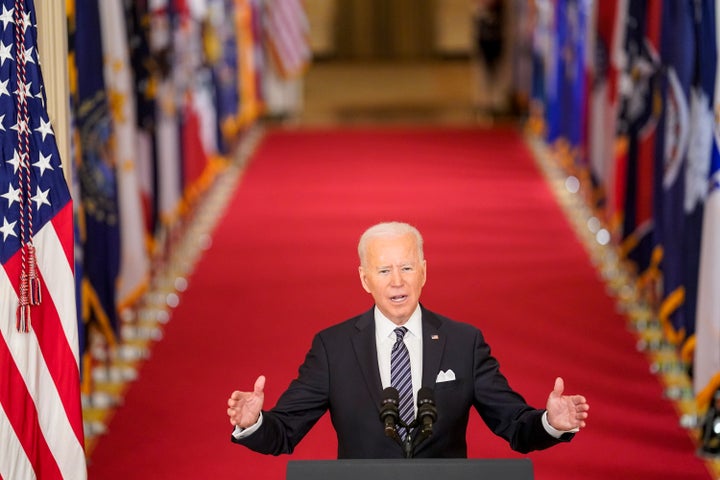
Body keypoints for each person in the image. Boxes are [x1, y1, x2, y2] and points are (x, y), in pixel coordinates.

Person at [227, 221, 589, 458]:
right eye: (384, 271)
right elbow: (284, 432)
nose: (397, 282)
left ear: (424, 272)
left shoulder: (464, 342)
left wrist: (550, 422)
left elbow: (514, 425)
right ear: (365, 279)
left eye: (407, 268)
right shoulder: (332, 348)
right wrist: (253, 422)